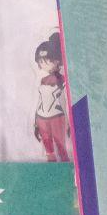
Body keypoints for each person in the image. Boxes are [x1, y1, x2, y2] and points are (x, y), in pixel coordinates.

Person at [34, 33, 70, 162]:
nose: (43, 64)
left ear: (57, 61)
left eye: (47, 61)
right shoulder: (42, 80)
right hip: (41, 118)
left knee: (61, 148)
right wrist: (35, 122)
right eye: (41, 61)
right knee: (49, 150)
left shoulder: (63, 80)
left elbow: (65, 102)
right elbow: (40, 101)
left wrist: (68, 122)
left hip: (56, 117)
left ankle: (65, 168)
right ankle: (51, 168)